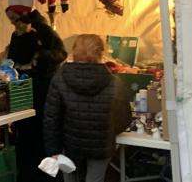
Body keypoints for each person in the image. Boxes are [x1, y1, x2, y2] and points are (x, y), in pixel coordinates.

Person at [45, 34, 132, 182]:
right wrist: (108, 131)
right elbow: (124, 118)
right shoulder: (114, 81)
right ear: (101, 53)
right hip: (101, 144)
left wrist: (53, 150)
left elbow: (51, 119)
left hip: (69, 144)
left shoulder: (59, 78)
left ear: (74, 51)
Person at [2, 6, 67, 182]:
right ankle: (26, 172)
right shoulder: (16, 34)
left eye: (14, 18)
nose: (12, 22)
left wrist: (40, 55)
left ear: (23, 15)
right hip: (23, 89)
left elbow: (61, 53)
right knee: (24, 131)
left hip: (42, 89)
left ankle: (44, 174)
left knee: (41, 131)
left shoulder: (44, 31)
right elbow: (14, 57)